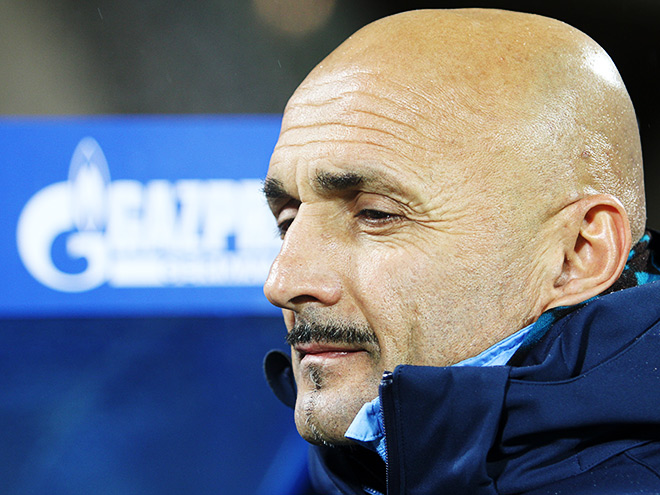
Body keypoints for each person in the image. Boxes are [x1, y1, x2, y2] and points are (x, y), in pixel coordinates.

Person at [262, 8, 660, 495]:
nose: (281, 283)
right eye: (287, 221)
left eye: (376, 215)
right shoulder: (329, 470)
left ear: (577, 253)